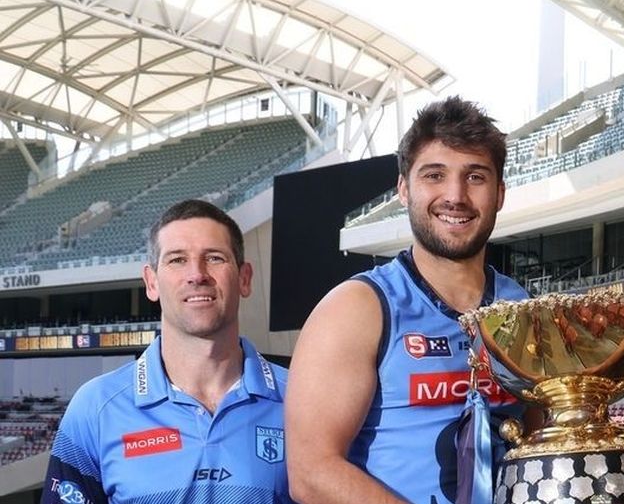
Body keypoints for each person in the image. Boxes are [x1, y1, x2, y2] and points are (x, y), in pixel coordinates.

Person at [286, 96, 529, 504]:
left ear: (500, 193)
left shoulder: (520, 305)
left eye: (475, 177)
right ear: (403, 188)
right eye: (434, 175)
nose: (455, 195)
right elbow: (311, 473)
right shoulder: (357, 308)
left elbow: (544, 435)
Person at [43, 199, 291, 504]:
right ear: (151, 282)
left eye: (214, 258)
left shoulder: (299, 399)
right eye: (177, 260)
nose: (197, 274)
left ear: (244, 278)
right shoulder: (95, 409)